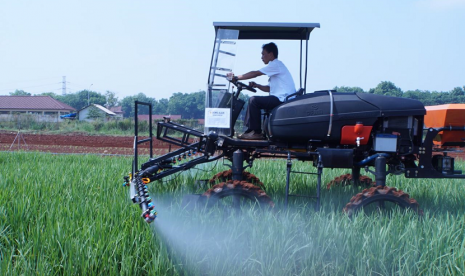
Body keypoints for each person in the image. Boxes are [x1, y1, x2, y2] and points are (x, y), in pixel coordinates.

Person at [227, 42, 296, 140]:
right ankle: (250, 131)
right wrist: (257, 86)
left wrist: (236, 78)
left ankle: (256, 132)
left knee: (254, 100)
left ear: (271, 54)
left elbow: (255, 73)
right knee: (253, 100)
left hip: (282, 100)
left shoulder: (275, 64)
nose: (261, 57)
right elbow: (270, 88)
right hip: (280, 98)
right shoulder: (276, 67)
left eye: (263, 54)